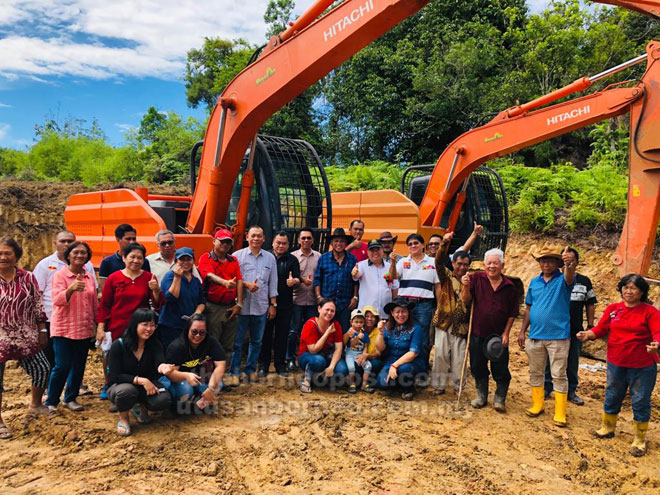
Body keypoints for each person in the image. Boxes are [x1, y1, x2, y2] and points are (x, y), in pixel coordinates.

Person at [577, 274, 660, 457]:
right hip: (616, 363)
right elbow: (601, 329)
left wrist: (656, 344)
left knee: (640, 401)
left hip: (642, 366)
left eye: (633, 288)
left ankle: (639, 439)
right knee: (612, 394)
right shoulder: (614, 309)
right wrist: (588, 334)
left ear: (642, 292)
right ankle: (607, 427)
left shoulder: (650, 312)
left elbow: (658, 332)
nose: (629, 291)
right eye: (626, 287)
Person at [518, 244, 576, 427]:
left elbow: (569, 276)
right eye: (543, 261)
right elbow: (528, 308)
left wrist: (570, 265)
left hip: (558, 337)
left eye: (550, 261)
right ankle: (537, 404)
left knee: (559, 374)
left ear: (557, 263)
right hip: (535, 336)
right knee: (535, 372)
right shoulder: (534, 282)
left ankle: (560, 412)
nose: (546, 264)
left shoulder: (563, 281)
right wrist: (522, 331)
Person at [0, 237, 52, 439]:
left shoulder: (27, 277)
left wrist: (42, 330)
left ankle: (36, 404)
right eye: (0, 253)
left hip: (25, 334)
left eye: (8, 253)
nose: (3, 257)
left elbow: (38, 304)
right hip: (0, 337)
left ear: (16, 256)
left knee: (42, 368)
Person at [97, 243, 162, 399]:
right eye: (132, 257)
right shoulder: (114, 278)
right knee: (112, 354)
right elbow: (105, 305)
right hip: (118, 324)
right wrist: (101, 328)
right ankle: (111, 385)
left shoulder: (148, 277)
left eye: (140, 258)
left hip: (141, 326)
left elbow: (158, 303)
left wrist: (156, 290)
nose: (136, 260)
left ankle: (138, 388)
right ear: (124, 258)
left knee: (139, 355)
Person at [461, 248, 519, 412]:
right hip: (478, 332)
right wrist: (465, 286)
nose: (492, 266)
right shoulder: (476, 279)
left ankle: (500, 398)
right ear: (484, 264)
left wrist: (506, 333)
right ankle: (481, 396)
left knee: (500, 368)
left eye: (495, 263)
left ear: (502, 265)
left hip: (498, 337)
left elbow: (512, 313)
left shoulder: (510, 287)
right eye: (489, 263)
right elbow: (466, 300)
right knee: (478, 366)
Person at [45, 241, 98, 412]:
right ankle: (51, 401)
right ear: (68, 255)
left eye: (83, 253)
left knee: (79, 365)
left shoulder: (89, 276)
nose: (80, 256)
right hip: (64, 328)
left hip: (83, 328)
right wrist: (71, 289)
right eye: (76, 252)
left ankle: (70, 398)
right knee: (61, 365)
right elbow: (57, 300)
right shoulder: (59, 276)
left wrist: (96, 325)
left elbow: (94, 303)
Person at [32, 230, 97, 369]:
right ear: (55, 243)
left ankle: (73, 386)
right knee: (53, 359)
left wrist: (94, 322)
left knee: (76, 360)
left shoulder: (87, 266)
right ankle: (50, 388)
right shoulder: (45, 264)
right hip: (52, 319)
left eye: (70, 241)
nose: (66, 244)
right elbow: (36, 294)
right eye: (63, 241)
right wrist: (40, 324)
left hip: (79, 322)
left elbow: (93, 293)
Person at [107, 309, 172, 436]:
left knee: (163, 399)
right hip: (122, 385)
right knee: (126, 392)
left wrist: (164, 367)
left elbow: (160, 363)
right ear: (135, 324)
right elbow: (115, 376)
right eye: (145, 324)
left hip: (146, 386)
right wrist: (142, 380)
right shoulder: (119, 345)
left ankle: (142, 406)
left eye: (152, 325)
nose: (149, 328)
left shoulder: (155, 344)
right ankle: (124, 418)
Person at [544, 247, 596, 405]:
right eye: (565, 260)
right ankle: (547, 387)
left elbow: (591, 304)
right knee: (549, 360)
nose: (567, 263)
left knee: (572, 361)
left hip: (575, 329)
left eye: (570, 261)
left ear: (577, 262)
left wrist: (590, 325)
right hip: (554, 329)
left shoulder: (584, 281)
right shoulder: (551, 279)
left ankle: (571, 391)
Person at [227, 226, 278, 385]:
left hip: (261, 306)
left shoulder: (270, 258)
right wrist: (247, 285)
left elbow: (273, 282)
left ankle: (250, 370)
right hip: (241, 306)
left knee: (257, 341)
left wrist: (273, 304)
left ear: (264, 238)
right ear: (247, 237)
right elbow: (232, 281)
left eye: (259, 236)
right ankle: (234, 372)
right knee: (237, 342)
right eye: (253, 236)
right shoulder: (237, 256)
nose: (256, 239)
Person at [389, 233, 440, 366]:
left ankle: (421, 369)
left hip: (424, 305)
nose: (413, 246)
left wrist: (439, 306)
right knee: (404, 334)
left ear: (423, 245)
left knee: (423, 337)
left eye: (416, 243)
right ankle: (403, 366)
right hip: (405, 304)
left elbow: (437, 286)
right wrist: (393, 262)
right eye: (410, 244)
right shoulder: (402, 262)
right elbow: (393, 276)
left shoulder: (433, 262)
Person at [197, 229, 243, 371]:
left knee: (228, 344)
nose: (225, 244)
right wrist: (224, 283)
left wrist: (239, 304)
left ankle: (222, 377)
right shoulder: (206, 258)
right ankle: (209, 377)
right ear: (214, 241)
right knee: (212, 343)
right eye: (221, 241)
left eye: (228, 242)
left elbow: (239, 281)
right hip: (213, 307)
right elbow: (209, 275)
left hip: (231, 306)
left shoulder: (233, 260)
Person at [431, 231, 470, 395]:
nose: (462, 267)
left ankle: (458, 386)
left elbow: (469, 301)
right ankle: (438, 386)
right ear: (453, 263)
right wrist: (443, 244)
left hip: (461, 326)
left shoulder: (472, 280)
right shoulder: (446, 275)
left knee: (459, 359)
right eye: (459, 263)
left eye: (465, 264)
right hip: (443, 322)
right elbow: (438, 261)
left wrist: (467, 285)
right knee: (440, 355)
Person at [164, 313, 226, 414]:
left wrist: (211, 388)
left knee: (218, 384)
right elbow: (170, 374)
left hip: (200, 377)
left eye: (202, 332)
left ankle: (198, 403)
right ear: (187, 330)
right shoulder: (177, 346)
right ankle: (176, 404)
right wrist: (186, 375)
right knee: (185, 390)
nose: (197, 336)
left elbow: (220, 365)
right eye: (194, 332)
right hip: (180, 380)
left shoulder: (211, 342)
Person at [259, 232, 300, 378]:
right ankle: (263, 365)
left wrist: (294, 281)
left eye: (284, 243)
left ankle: (280, 365)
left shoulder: (292, 260)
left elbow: (297, 278)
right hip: (265, 303)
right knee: (266, 335)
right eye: (278, 242)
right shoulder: (265, 257)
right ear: (272, 243)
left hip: (285, 304)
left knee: (282, 336)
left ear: (288, 245)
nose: (281, 246)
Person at [375, 297, 426, 401]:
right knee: (381, 383)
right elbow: (380, 348)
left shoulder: (416, 328)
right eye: (397, 312)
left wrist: (395, 365)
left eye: (404, 311)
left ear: (408, 313)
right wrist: (380, 333)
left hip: (412, 363)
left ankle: (409, 389)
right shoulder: (388, 327)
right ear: (392, 313)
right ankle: (399, 384)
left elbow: (413, 353)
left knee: (404, 369)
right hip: (392, 360)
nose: (401, 315)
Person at [157, 247, 206, 350]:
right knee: (171, 352)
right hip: (171, 325)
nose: (185, 262)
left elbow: (201, 301)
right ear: (176, 261)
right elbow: (171, 297)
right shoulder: (170, 276)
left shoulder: (195, 281)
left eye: (189, 259)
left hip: (189, 326)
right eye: (182, 259)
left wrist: (197, 313)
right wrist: (177, 277)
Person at [286, 229, 321, 372]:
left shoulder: (319, 257)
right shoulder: (293, 257)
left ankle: (306, 357)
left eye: (309, 238)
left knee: (310, 333)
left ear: (313, 240)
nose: (306, 241)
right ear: (299, 240)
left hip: (313, 301)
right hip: (296, 300)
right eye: (303, 238)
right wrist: (300, 280)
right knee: (293, 331)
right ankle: (289, 359)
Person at [297, 298, 348, 393]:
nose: (329, 313)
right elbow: (313, 350)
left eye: (332, 311)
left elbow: (338, 348)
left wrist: (331, 367)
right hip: (308, 356)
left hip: (327, 355)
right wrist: (327, 333)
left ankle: (323, 377)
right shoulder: (310, 324)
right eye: (327, 309)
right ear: (319, 309)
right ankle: (306, 380)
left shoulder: (336, 325)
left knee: (342, 370)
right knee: (318, 361)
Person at [314, 228, 358, 335]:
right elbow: (317, 279)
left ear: (346, 243)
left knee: (343, 332)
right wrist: (319, 297)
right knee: (325, 330)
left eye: (342, 241)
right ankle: (325, 351)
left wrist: (355, 297)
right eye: (336, 241)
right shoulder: (323, 258)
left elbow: (355, 280)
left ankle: (340, 351)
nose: (339, 244)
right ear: (331, 243)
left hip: (345, 303)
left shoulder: (352, 259)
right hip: (327, 302)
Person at [352, 239, 399, 318]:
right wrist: (355, 273)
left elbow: (394, 287)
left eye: (378, 249)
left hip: (385, 312)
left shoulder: (389, 267)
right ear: (367, 252)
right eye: (372, 250)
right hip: (366, 314)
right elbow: (356, 276)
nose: (375, 252)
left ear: (382, 251)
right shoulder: (361, 265)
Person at [98, 224, 151, 289]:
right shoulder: (107, 262)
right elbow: (105, 289)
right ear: (118, 239)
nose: (132, 242)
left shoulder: (142, 261)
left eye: (134, 239)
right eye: (128, 239)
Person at [343, 309, 371, 393]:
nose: (358, 324)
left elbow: (366, 345)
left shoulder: (364, 333)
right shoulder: (350, 332)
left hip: (359, 353)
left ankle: (364, 384)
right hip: (350, 353)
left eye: (361, 322)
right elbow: (351, 344)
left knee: (368, 366)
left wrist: (364, 355)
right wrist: (357, 337)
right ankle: (352, 384)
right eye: (356, 322)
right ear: (351, 322)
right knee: (351, 367)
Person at [359, 306, 383, 388]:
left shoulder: (378, 331)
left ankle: (369, 381)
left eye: (373, 317)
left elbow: (379, 352)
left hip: (371, 358)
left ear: (376, 319)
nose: (369, 319)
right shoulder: (358, 328)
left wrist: (367, 355)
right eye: (367, 316)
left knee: (375, 363)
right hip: (357, 358)